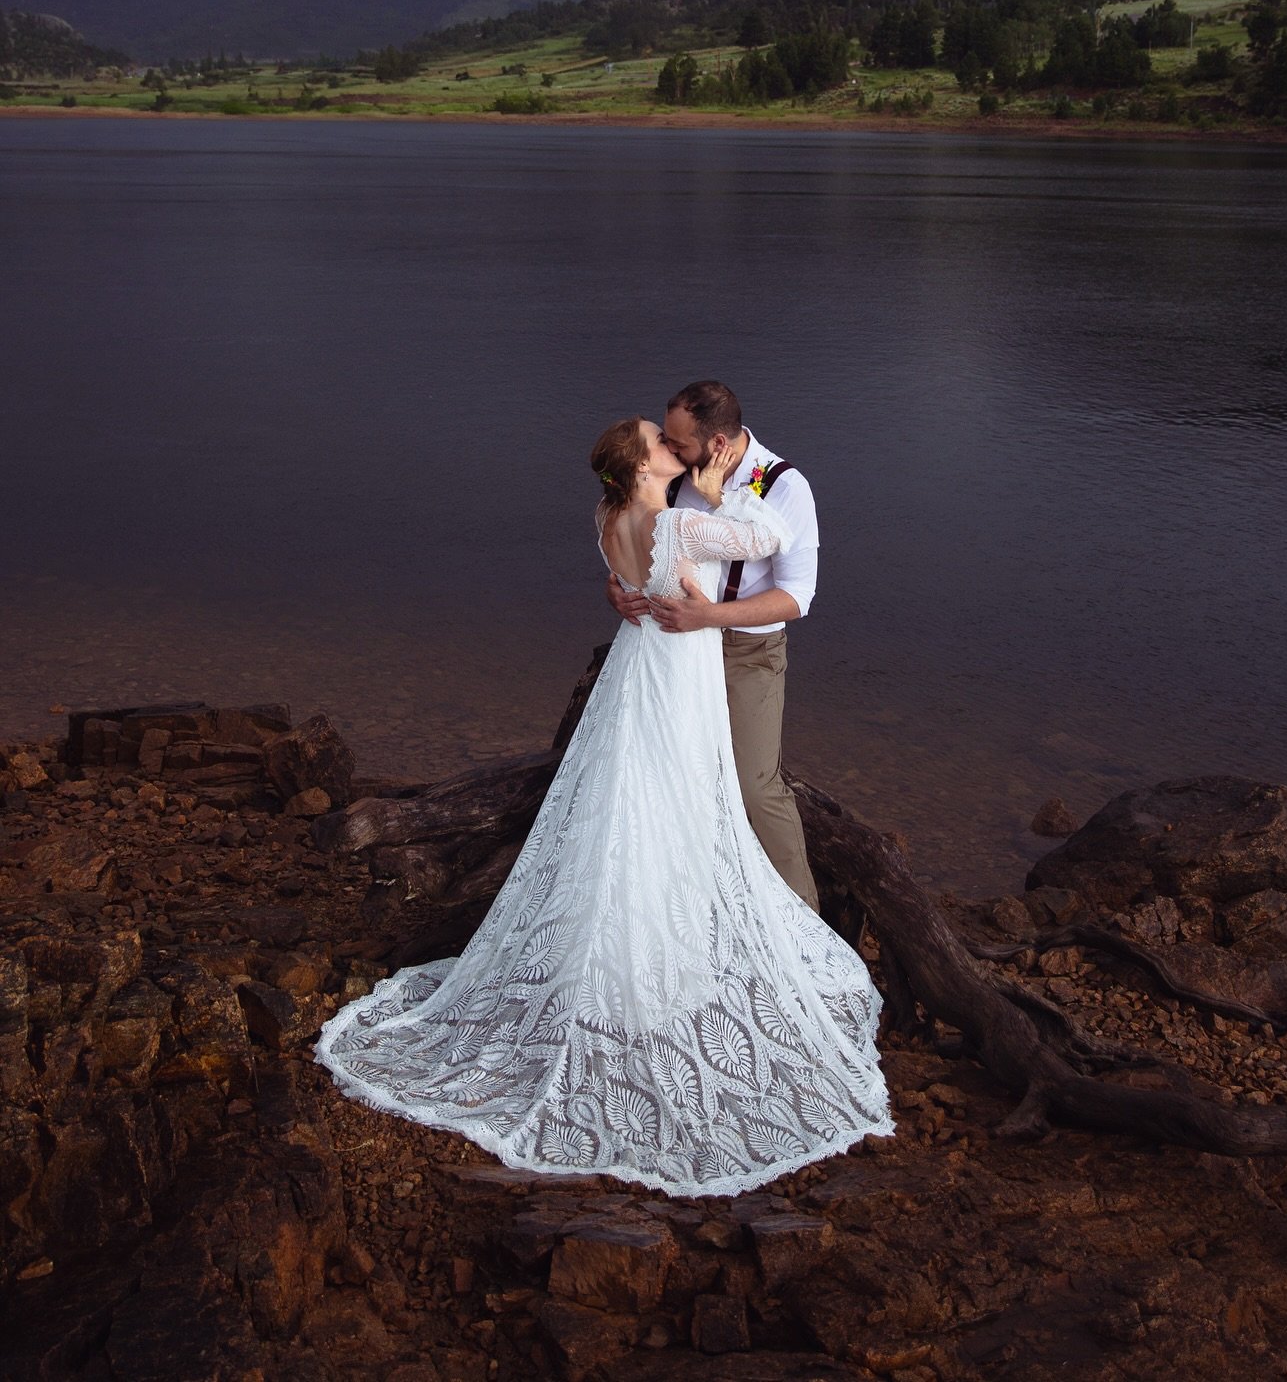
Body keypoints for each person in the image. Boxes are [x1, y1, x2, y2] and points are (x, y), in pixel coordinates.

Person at [314, 416, 891, 1196]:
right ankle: (653, 974)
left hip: (641, 666)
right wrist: (723, 491)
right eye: (661, 441)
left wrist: (643, 566)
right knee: (676, 805)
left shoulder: (608, 516)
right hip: (676, 673)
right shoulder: (682, 520)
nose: (672, 447)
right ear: (646, 463)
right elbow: (756, 540)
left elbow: (631, 571)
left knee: (627, 801)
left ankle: (633, 950)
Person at [606, 381, 820, 910]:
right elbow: (643, 536)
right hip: (675, 651)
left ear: (718, 441)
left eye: (678, 444)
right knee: (677, 777)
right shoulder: (678, 478)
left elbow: (797, 597)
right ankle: (697, 907)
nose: (671, 452)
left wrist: (709, 615)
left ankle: (804, 913)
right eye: (667, 442)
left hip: (747, 651)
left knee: (753, 784)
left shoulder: (787, 489)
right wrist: (618, 586)